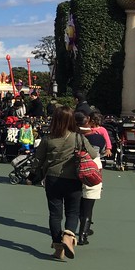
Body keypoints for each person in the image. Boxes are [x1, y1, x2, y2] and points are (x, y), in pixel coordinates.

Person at [28, 106, 98, 260]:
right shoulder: (78, 138)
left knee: (55, 214)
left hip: (53, 179)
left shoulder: (48, 138)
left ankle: (58, 248)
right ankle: (69, 235)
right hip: (73, 179)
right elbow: (93, 154)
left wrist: (33, 175)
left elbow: (38, 160)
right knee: (73, 212)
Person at [76, 112, 104, 246]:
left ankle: (72, 229)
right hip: (92, 169)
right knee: (89, 204)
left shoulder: (72, 137)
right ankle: (83, 234)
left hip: (75, 170)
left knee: (76, 202)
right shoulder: (98, 138)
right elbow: (101, 150)